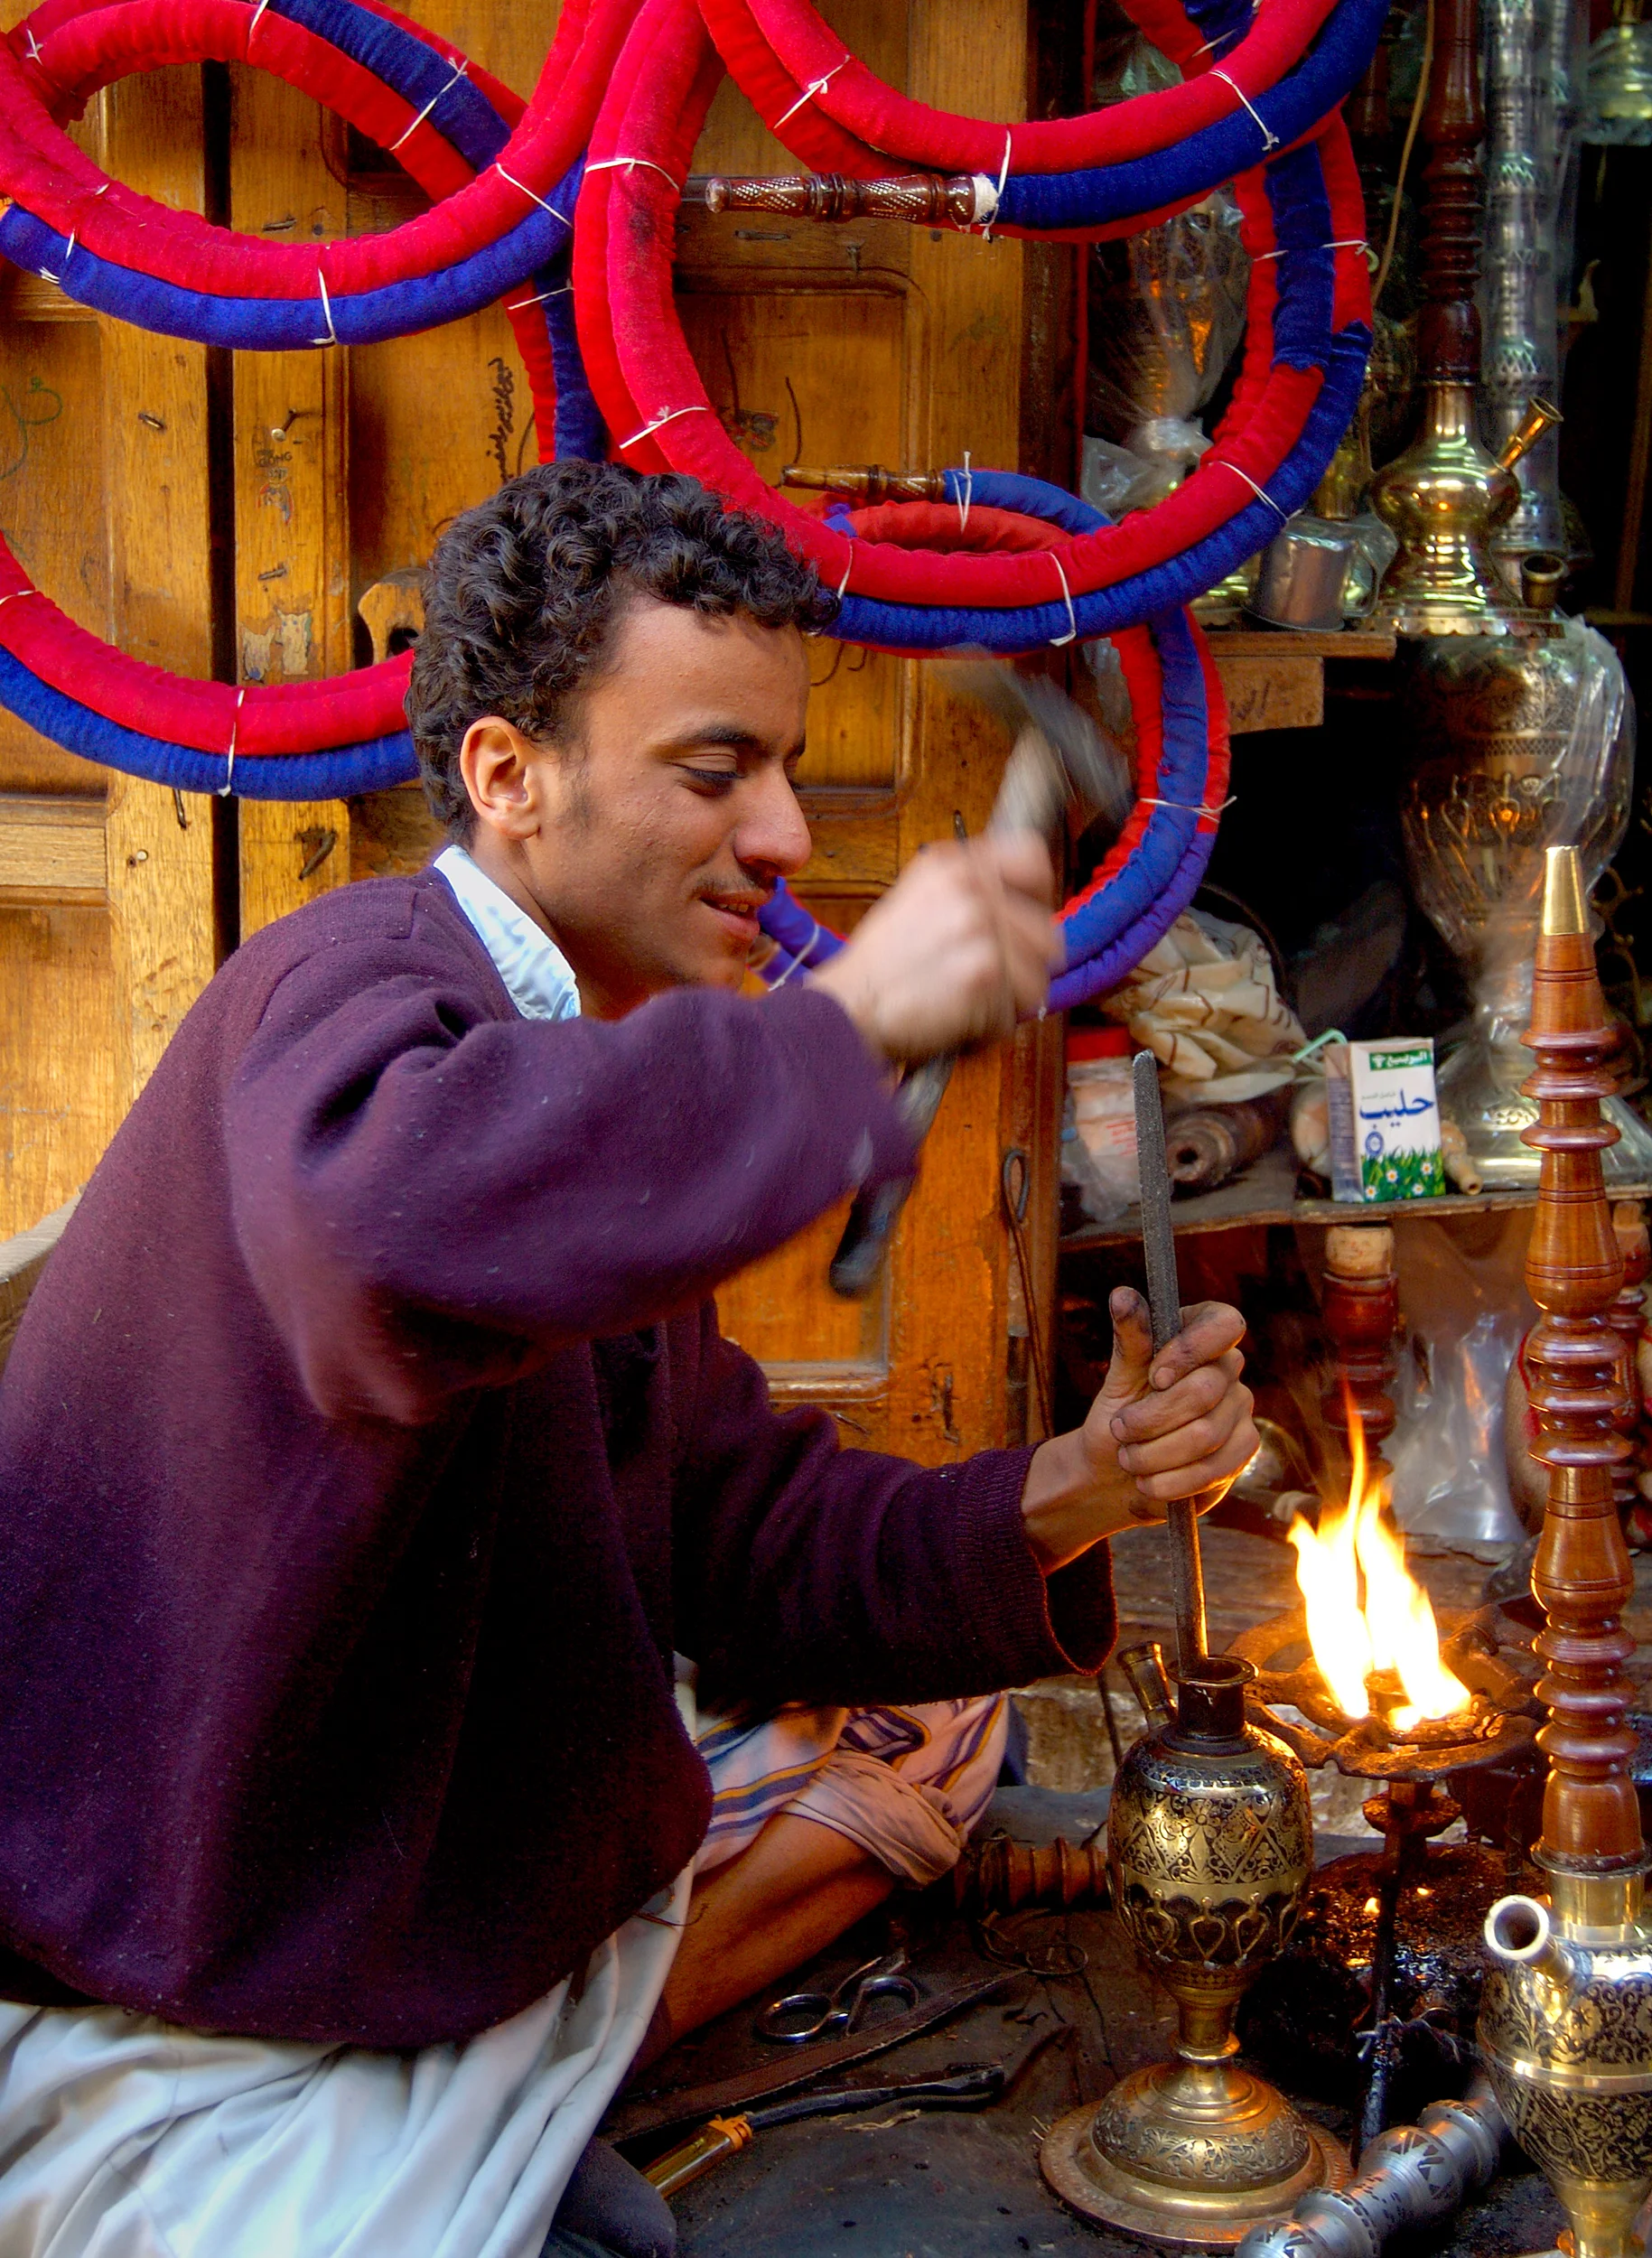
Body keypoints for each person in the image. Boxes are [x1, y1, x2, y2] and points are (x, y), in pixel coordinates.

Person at [0, 462, 1257, 2258]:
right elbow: (381, 1241)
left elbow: (732, 1537)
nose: (780, 840)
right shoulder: (347, 991)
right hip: (217, 1946)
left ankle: (571, 2043)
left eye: (782, 769)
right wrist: (843, 1030)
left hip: (428, 1860)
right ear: (508, 777)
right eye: (709, 769)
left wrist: (1073, 1484)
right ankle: (533, 2077)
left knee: (947, 1708)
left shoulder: (578, 1065)